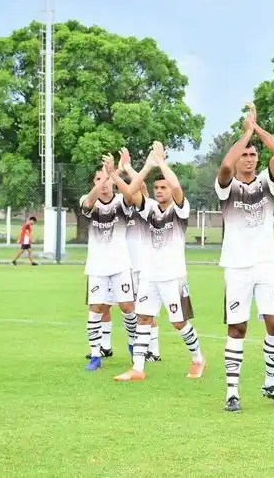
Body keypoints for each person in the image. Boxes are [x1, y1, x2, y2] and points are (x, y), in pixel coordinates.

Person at [216, 102, 274, 412]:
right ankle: (232, 392)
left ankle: (270, 383)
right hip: (236, 267)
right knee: (238, 329)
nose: (249, 158)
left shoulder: (266, 184)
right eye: (244, 154)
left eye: (252, 154)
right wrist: (245, 135)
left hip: (266, 265)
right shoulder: (226, 187)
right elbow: (223, 166)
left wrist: (257, 130)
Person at [113, 142, 205, 382]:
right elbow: (130, 192)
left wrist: (161, 162)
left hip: (172, 275)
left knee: (178, 322)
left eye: (163, 187)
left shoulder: (180, 210)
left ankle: (197, 357)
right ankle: (138, 368)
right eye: (157, 187)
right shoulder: (150, 208)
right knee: (144, 317)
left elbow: (176, 185)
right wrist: (144, 166)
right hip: (150, 275)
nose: (160, 190)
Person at [80, 162, 138, 371]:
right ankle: (95, 355)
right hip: (96, 267)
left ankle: (133, 344)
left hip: (121, 265)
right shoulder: (89, 202)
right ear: (94, 182)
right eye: (98, 179)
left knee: (128, 308)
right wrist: (107, 176)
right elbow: (87, 202)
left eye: (106, 180)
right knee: (95, 309)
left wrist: (115, 174)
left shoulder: (122, 202)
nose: (103, 184)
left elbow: (132, 196)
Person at [119, 147, 161, 362]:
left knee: (146, 310)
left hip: (146, 266)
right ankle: (144, 347)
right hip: (130, 267)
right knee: (135, 308)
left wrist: (127, 168)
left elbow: (139, 186)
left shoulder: (149, 206)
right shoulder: (127, 209)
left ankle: (153, 351)